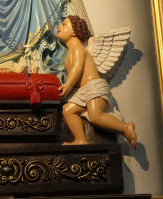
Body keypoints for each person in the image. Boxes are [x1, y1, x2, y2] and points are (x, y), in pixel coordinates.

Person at [56, 15, 136, 148]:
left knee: (95, 116)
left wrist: (68, 85)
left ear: (74, 31)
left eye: (64, 25)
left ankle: (125, 127)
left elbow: (77, 68)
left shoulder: (78, 48)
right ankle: (81, 139)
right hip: (83, 91)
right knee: (67, 110)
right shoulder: (70, 51)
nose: (59, 27)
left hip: (94, 87)